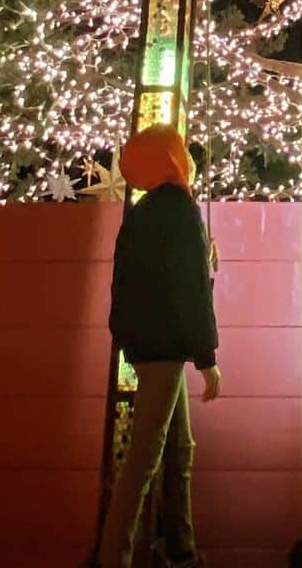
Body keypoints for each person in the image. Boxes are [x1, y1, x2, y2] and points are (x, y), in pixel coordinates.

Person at [98, 122, 220, 568]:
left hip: (145, 346)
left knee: (179, 447)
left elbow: (130, 282)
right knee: (144, 460)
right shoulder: (182, 208)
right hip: (167, 348)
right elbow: (190, 288)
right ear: (172, 159)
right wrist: (207, 357)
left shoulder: (144, 211)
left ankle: (180, 544)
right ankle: (115, 556)